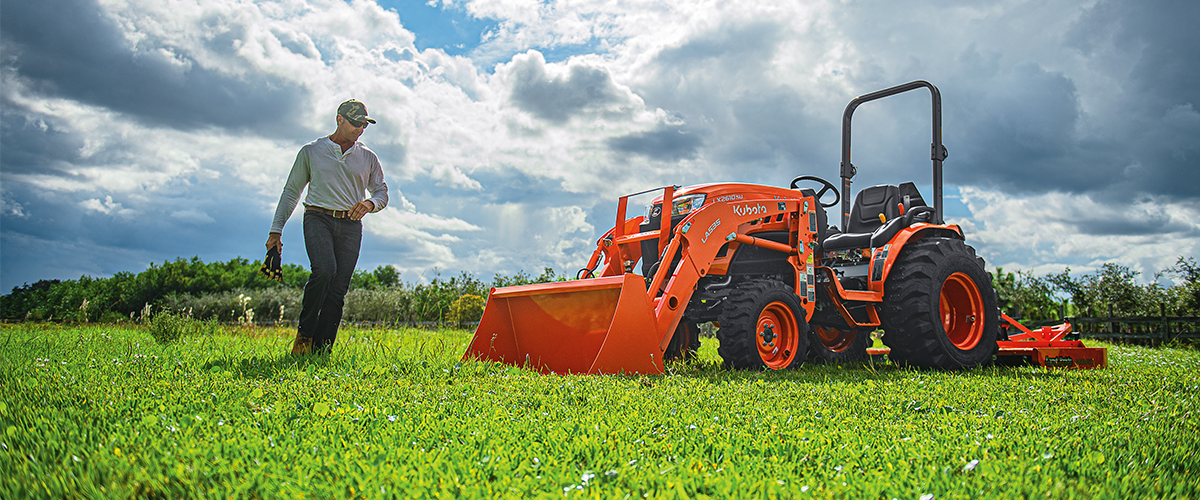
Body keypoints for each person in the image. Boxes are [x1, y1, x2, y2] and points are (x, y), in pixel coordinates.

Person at [266, 99, 388, 355]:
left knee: (338, 288)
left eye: (364, 125)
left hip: (351, 225)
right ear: (339, 119)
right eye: (355, 123)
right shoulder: (311, 151)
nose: (360, 129)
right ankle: (305, 337)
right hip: (317, 218)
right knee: (324, 271)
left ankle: (322, 349)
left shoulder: (368, 157)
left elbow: (381, 192)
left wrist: (369, 204)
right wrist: (275, 231)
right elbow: (291, 192)